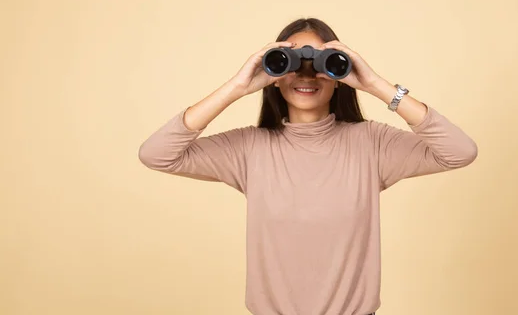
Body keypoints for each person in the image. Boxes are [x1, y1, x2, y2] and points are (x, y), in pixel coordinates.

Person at [138, 18, 478, 315]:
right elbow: (157, 153)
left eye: (320, 62)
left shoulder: (372, 144)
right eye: (291, 62)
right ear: (274, 73)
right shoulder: (249, 148)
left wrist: (376, 84)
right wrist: (237, 87)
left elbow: (459, 151)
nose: (306, 73)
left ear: (338, 72)